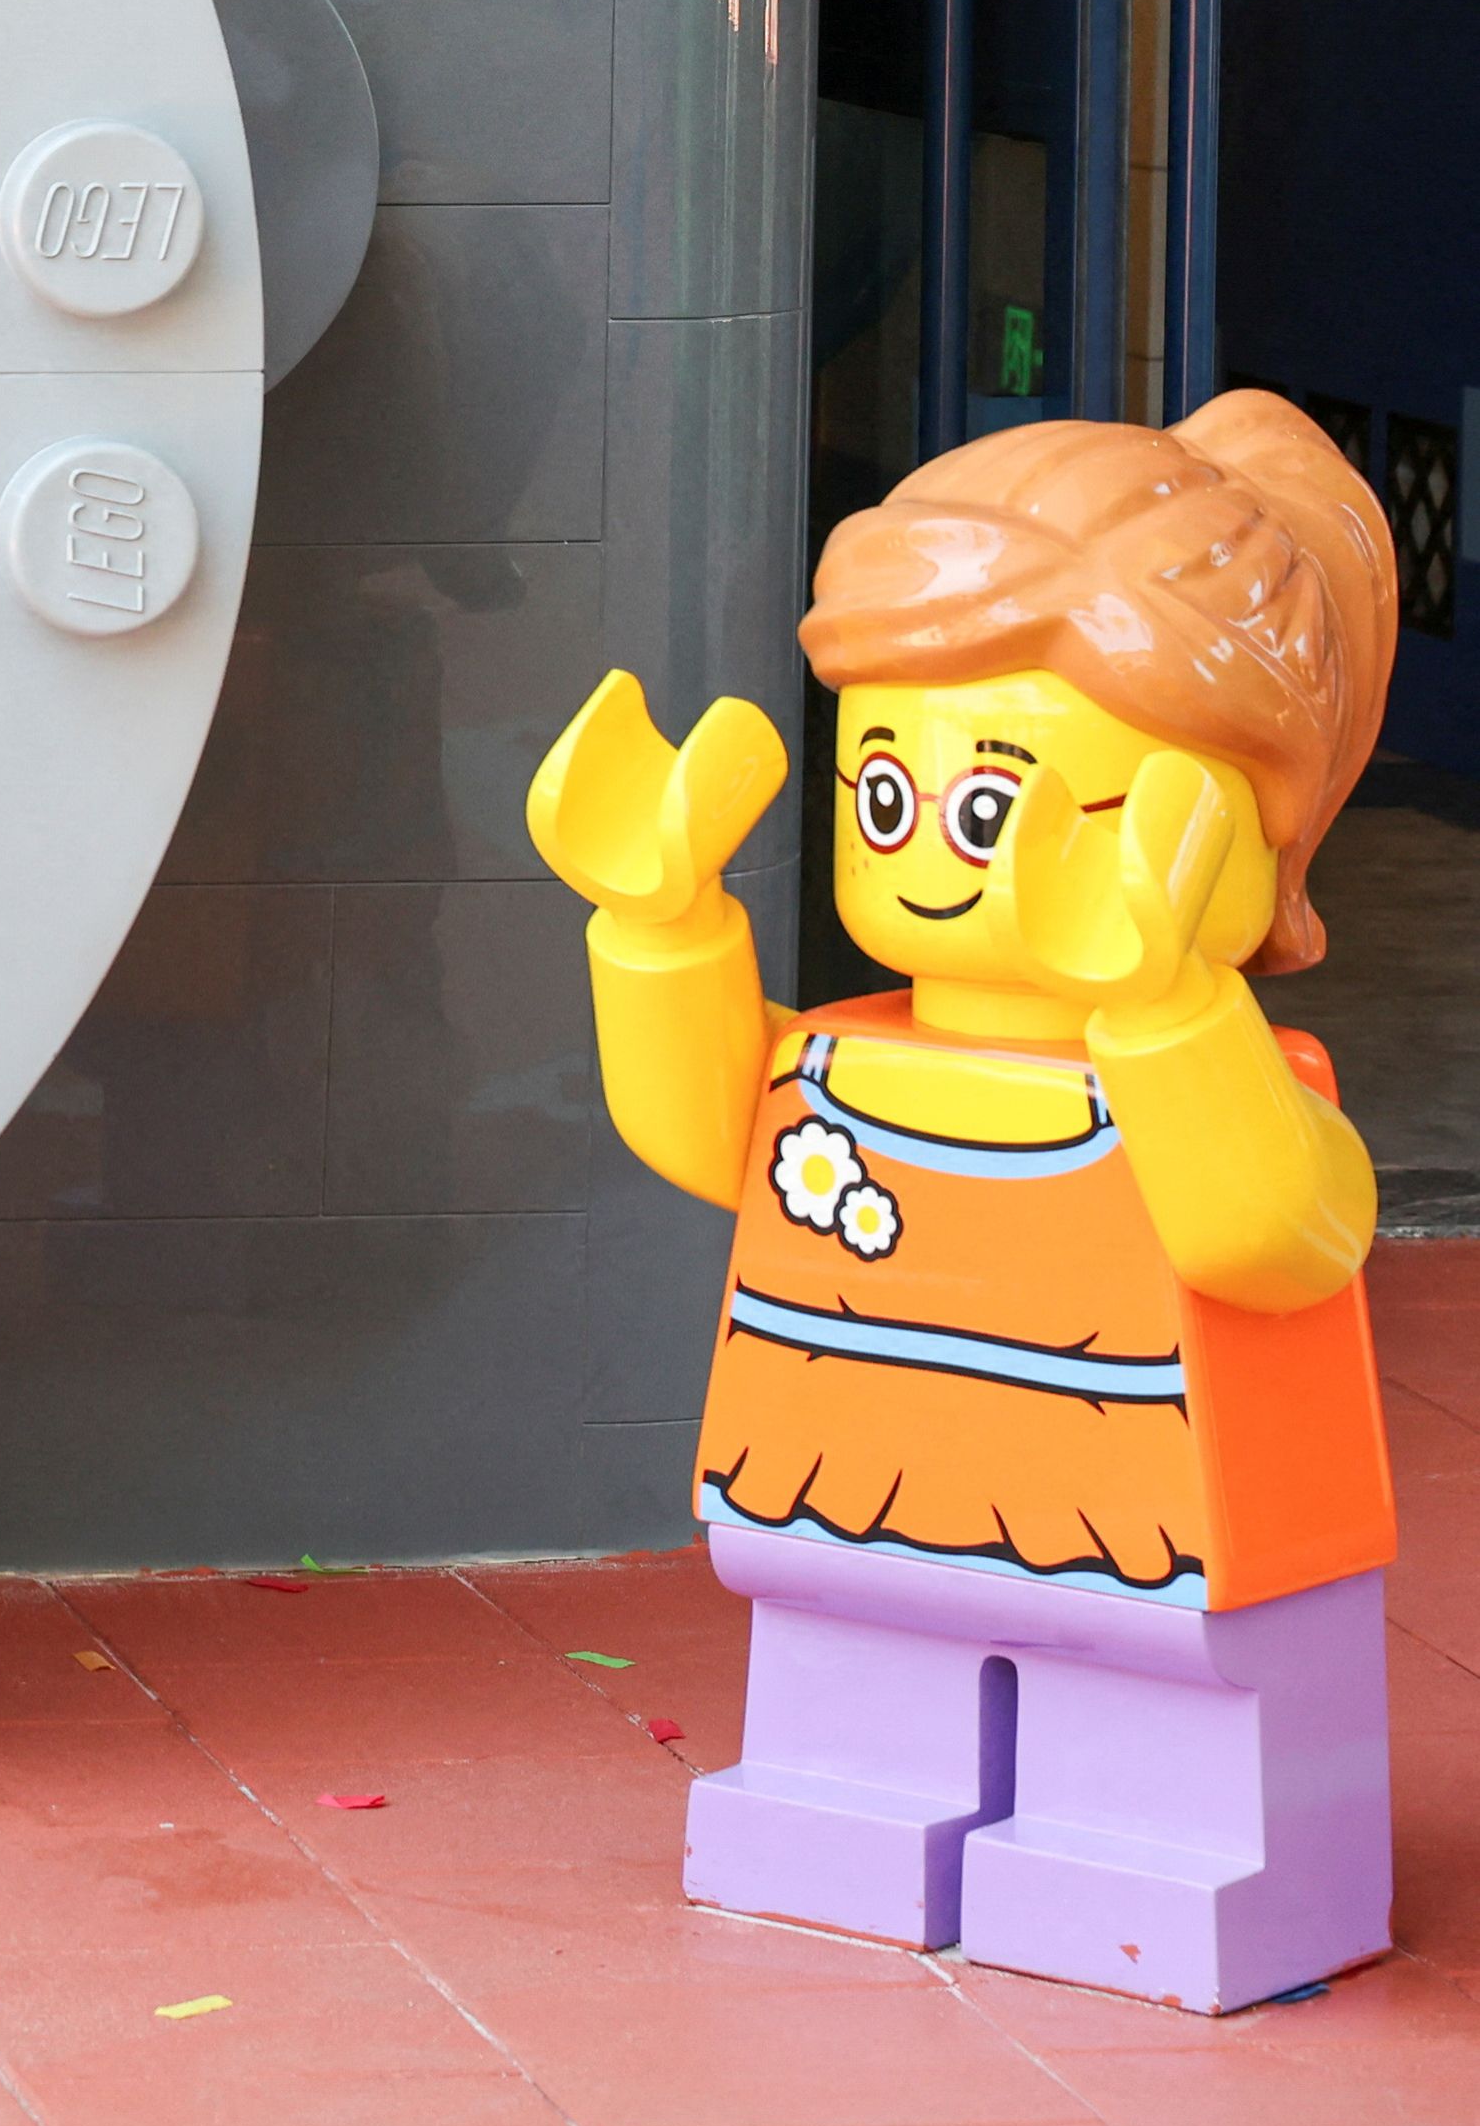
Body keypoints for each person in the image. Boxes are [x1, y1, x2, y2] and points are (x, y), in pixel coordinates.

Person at [525, 392, 1399, 2010]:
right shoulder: (846, 1058)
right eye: (888, 792)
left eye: (994, 809)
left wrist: (1168, 1015)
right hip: (854, 1491)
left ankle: (1148, 1847)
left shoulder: (1223, 1076)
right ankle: (846, 1803)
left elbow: (1273, 1234)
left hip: (1147, 1524)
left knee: (1148, 1695)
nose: (934, 850)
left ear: (1229, 826)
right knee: (856, 1654)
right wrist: (661, 926)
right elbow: (711, 1131)